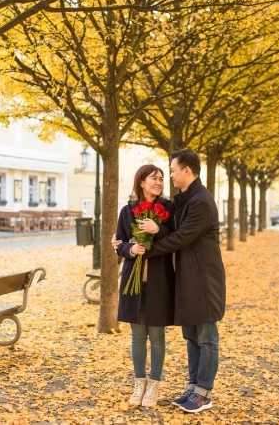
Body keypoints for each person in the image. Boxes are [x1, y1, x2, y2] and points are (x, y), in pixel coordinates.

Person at [136, 149, 226, 414]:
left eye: (173, 170)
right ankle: (193, 386)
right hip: (188, 278)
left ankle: (204, 392)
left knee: (206, 337)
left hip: (204, 280)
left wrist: (147, 250)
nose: (170, 175)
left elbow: (181, 238)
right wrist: (131, 243)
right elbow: (171, 228)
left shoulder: (200, 201)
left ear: (187, 170)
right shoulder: (185, 199)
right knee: (191, 336)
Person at [114, 164, 175, 408]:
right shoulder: (127, 211)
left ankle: (154, 386)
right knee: (138, 336)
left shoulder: (169, 208)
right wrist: (130, 248)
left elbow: (176, 238)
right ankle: (139, 383)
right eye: (154, 178)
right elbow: (118, 243)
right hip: (133, 281)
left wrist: (156, 228)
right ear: (141, 182)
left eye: (161, 178)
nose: (159, 182)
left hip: (160, 281)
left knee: (157, 336)